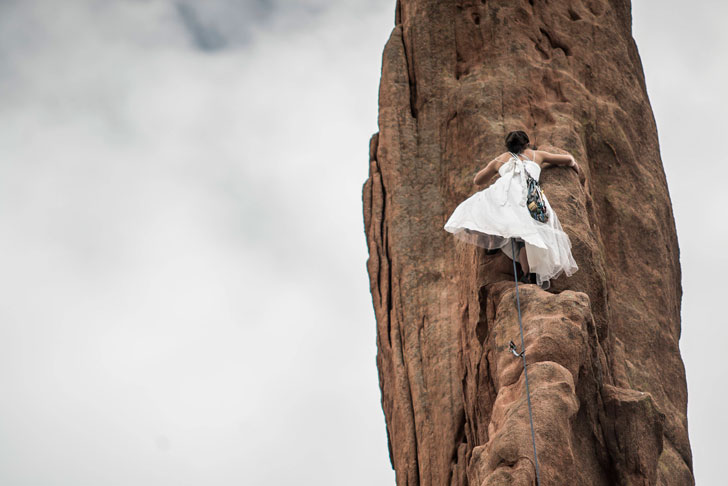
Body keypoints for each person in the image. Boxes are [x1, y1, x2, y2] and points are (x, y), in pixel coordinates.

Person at [443, 130, 581, 290]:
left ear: (508, 146)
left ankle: (493, 239)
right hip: (529, 197)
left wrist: (496, 167)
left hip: (505, 196)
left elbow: (478, 180)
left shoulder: (500, 159)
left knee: (488, 212)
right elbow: (569, 159)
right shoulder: (537, 155)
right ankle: (528, 274)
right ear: (527, 143)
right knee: (525, 236)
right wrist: (575, 166)